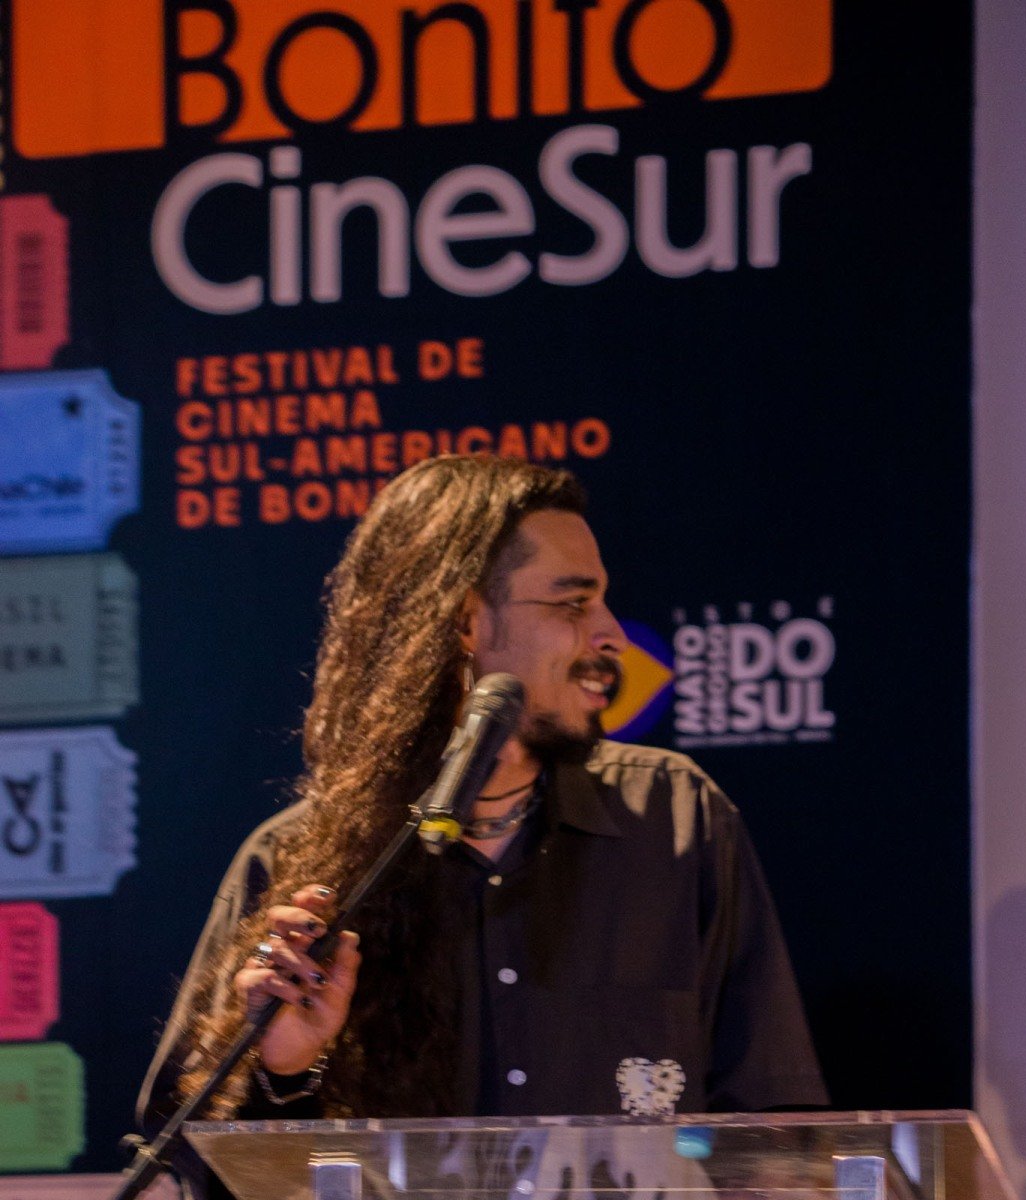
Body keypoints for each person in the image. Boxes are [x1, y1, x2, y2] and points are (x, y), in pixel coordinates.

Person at [137, 456, 826, 1199]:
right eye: (573, 604)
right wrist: (286, 1072)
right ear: (466, 622)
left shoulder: (678, 821)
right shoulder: (300, 862)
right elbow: (193, 1163)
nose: (612, 636)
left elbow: (771, 1133)